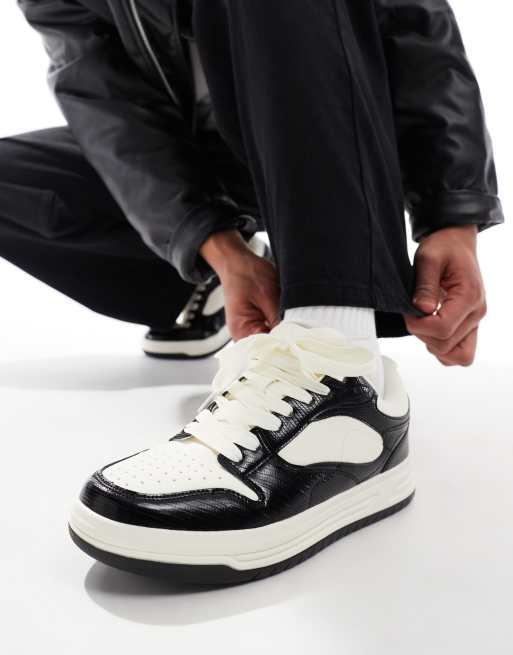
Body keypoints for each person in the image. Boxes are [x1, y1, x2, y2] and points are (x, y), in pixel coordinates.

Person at [10, 0, 503, 583]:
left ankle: (340, 366)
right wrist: (219, 249)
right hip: (210, 157)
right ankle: (207, 295)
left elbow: (414, 25)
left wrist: (452, 213)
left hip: (334, 113)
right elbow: (108, 105)